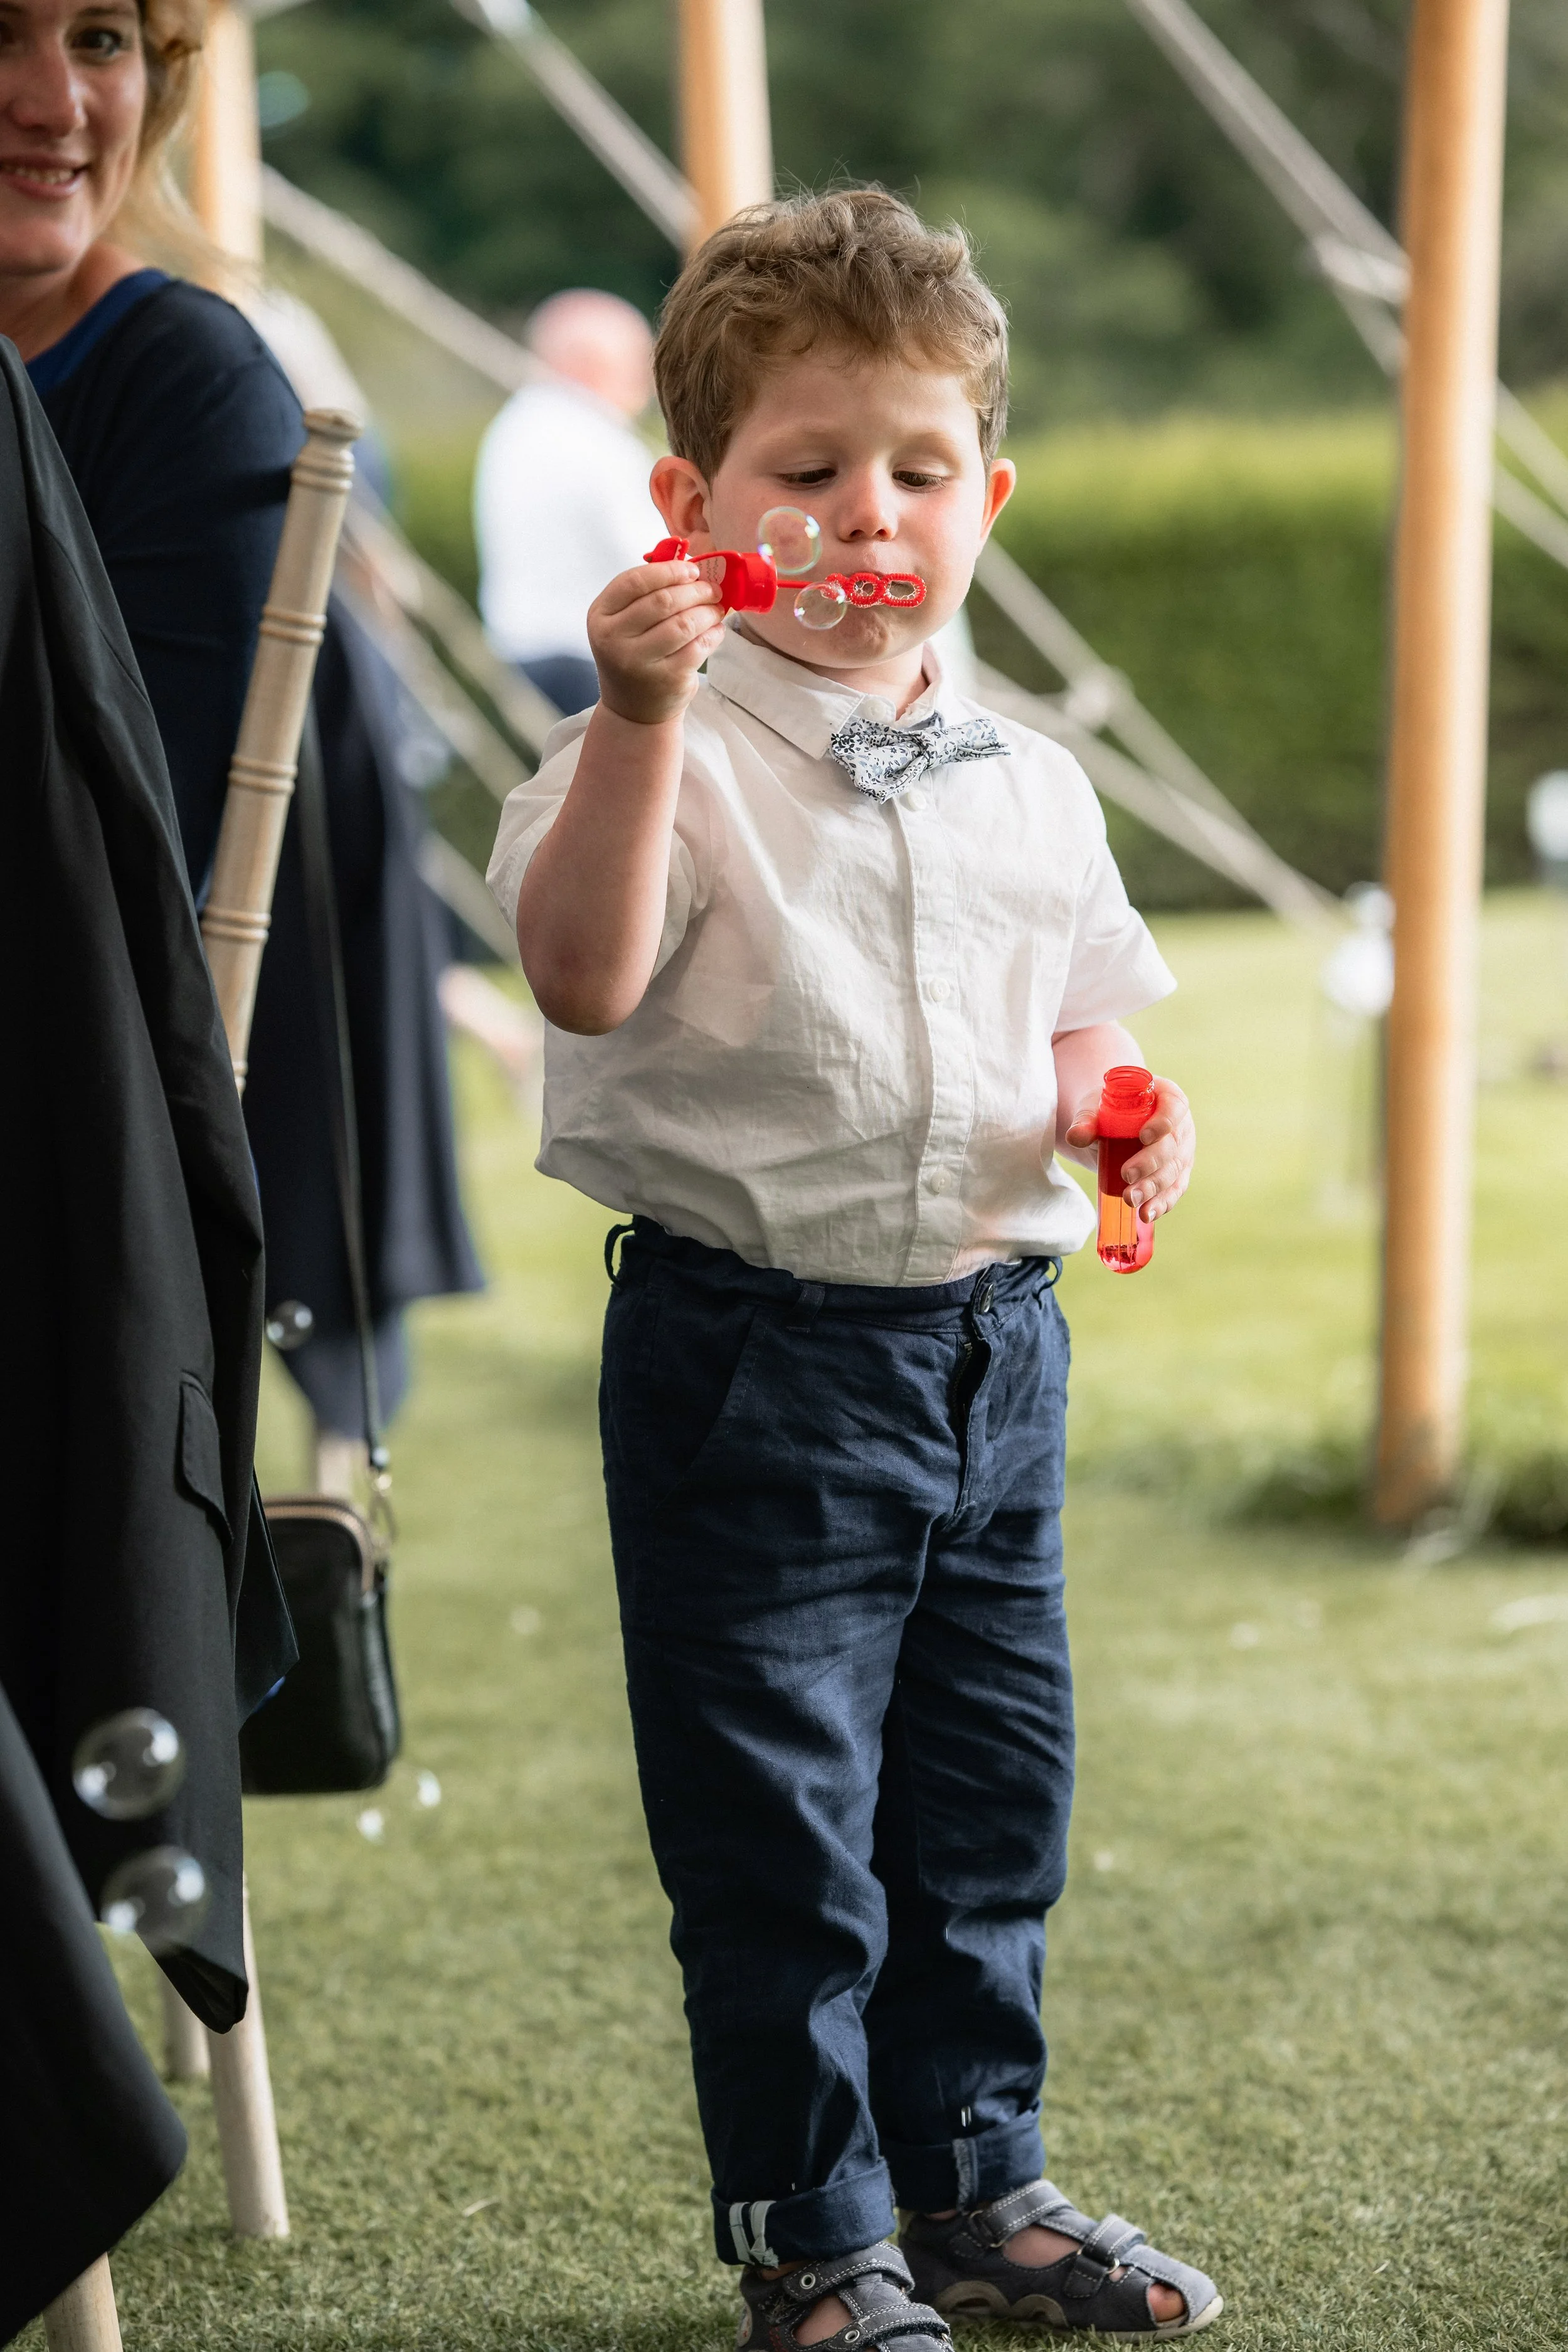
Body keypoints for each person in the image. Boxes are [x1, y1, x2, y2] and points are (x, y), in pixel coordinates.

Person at [489, 190, 1217, 2348]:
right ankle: (817, 2246)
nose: (865, 517)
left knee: (989, 1811)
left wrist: (1121, 1110)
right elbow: (585, 975)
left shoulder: (1034, 783)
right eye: (807, 472)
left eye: (915, 473)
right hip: (756, 1361)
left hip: (997, 1360)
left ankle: (978, 2189)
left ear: (984, 497)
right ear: (691, 501)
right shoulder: (665, 752)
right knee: (784, 1845)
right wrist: (632, 717)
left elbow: (1082, 1017)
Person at [0, 0, 480, 1474]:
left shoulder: (187, 374)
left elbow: (113, 832)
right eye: (0, 36)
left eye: (100, 39)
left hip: (120, 1069)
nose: (55, 100)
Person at [474, 285, 662, 718]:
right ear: (588, 364)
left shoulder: (517, 425)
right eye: (635, 364)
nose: (646, 385)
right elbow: (646, 553)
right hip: (586, 658)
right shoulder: (593, 438)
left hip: (519, 651)